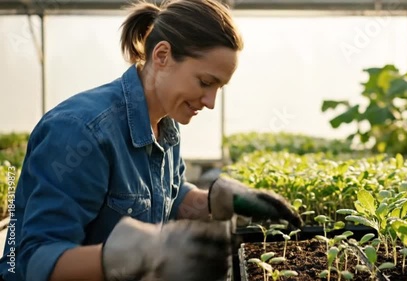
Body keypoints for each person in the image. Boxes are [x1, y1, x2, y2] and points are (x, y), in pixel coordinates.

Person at [0, 0, 303, 280]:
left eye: (219, 87)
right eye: (205, 82)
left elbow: (167, 197)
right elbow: (32, 262)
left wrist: (210, 200)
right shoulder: (81, 132)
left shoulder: (166, 123)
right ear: (162, 56)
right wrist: (136, 253)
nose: (210, 102)